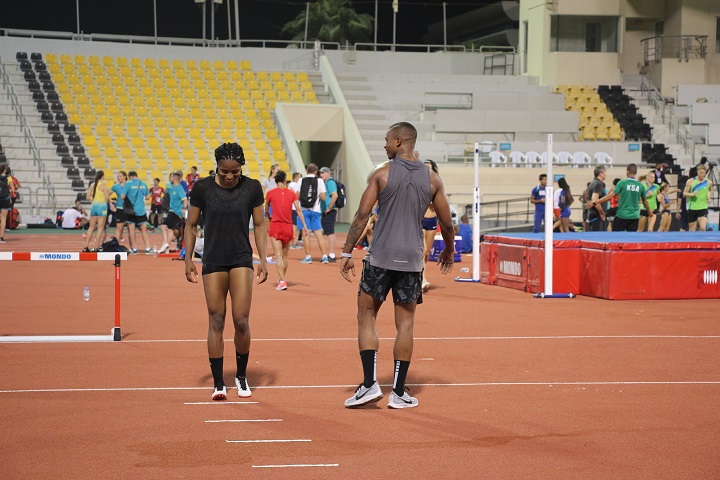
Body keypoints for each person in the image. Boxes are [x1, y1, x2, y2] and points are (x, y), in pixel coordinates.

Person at [340, 122, 454, 409]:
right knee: (405, 324)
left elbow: (361, 216)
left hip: (380, 256)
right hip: (412, 260)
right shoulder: (432, 179)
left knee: (366, 314)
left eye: (387, 141)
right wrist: (449, 252)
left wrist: (346, 252)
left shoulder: (381, 173)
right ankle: (399, 392)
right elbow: (447, 222)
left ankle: (369, 385)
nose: (385, 146)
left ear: (400, 141)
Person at [184, 142, 268, 401]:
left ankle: (241, 376)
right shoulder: (202, 188)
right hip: (213, 260)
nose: (230, 176)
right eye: (224, 172)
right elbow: (191, 224)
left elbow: (260, 224)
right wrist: (188, 259)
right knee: (216, 319)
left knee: (241, 320)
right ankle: (219, 382)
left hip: (241, 258)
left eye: (235, 172)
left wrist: (264, 259)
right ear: (216, 168)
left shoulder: (252, 187)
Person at [265, 170, 309, 290]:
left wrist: (268, 215)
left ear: (275, 180)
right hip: (288, 227)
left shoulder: (270, 193)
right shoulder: (291, 193)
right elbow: (298, 210)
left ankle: (282, 281)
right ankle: (282, 279)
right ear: (285, 181)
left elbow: (266, 208)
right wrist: (304, 225)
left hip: (276, 226)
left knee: (278, 255)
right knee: (285, 256)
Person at [587, 163, 653, 232]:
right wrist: (649, 212)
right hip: (634, 216)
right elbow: (645, 201)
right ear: (636, 172)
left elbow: (610, 196)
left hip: (622, 216)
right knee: (631, 240)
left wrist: (595, 202)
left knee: (616, 239)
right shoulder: (640, 185)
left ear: (627, 172)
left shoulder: (622, 183)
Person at [296, 163, 329, 264]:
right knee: (318, 234)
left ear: (307, 171)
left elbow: (297, 196)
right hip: (315, 210)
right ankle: (324, 257)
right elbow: (323, 197)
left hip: (304, 209)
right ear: (316, 171)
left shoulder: (301, 180)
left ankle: (308, 256)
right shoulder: (319, 181)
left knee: (306, 233)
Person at [421, 159, 440, 292]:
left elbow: (438, 202)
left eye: (429, 168)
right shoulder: (419, 183)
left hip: (432, 221)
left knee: (427, 252)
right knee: (422, 250)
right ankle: (422, 278)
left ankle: (420, 274)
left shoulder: (437, 183)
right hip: (421, 219)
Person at [83, 170, 114, 252]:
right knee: (100, 228)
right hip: (102, 208)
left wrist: (95, 198)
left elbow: (87, 197)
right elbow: (107, 197)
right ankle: (96, 247)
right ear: (102, 177)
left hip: (94, 207)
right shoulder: (104, 185)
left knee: (91, 228)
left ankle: (86, 247)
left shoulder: (92, 185)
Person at [123, 171, 153, 254]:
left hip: (131, 210)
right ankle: (147, 248)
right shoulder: (143, 184)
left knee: (132, 230)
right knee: (144, 230)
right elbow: (147, 197)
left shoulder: (128, 184)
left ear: (130, 177)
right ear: (137, 175)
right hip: (141, 210)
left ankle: (134, 249)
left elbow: (122, 196)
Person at [158, 171, 187, 254]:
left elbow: (184, 200)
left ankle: (165, 243)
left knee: (163, 226)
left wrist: (183, 209)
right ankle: (166, 245)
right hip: (172, 211)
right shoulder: (172, 187)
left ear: (174, 178)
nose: (170, 179)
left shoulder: (179, 187)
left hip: (176, 212)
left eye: (171, 177)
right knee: (170, 230)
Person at [684, 164, 713, 232]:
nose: (702, 175)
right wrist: (692, 194)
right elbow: (684, 194)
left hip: (703, 207)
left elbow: (710, 189)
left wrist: (709, 197)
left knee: (703, 228)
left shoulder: (708, 182)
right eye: (701, 173)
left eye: (704, 173)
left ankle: (702, 242)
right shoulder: (690, 181)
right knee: (692, 230)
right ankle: (693, 242)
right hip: (692, 208)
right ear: (698, 172)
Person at [319, 166, 338, 263]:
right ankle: (331, 254)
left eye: (323, 173)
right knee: (328, 232)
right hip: (326, 210)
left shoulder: (330, 182)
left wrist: (329, 208)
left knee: (330, 232)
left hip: (329, 211)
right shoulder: (326, 183)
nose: (321, 174)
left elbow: (335, 195)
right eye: (320, 173)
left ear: (327, 173)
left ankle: (331, 254)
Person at [586, 166, 608, 232]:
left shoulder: (593, 182)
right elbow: (594, 200)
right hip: (597, 215)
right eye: (605, 172)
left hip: (593, 214)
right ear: (600, 173)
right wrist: (601, 213)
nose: (606, 174)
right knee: (599, 238)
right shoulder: (599, 184)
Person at [110, 171, 129, 242]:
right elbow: (107, 194)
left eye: (120, 176)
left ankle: (133, 247)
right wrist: (111, 204)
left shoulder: (129, 185)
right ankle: (116, 244)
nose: (118, 177)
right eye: (118, 176)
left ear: (125, 176)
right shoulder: (116, 186)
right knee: (119, 227)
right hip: (120, 209)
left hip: (129, 209)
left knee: (130, 228)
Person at [287, 172, 304, 249]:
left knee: (294, 225)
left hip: (293, 206)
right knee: (294, 225)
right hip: (293, 207)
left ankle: (293, 241)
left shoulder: (291, 185)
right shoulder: (294, 185)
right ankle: (292, 242)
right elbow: (295, 195)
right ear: (296, 177)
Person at [0, 164, 15, 243]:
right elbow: (13, 190)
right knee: (3, 219)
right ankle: (1, 237)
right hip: (5, 199)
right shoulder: (8, 178)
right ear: (4, 171)